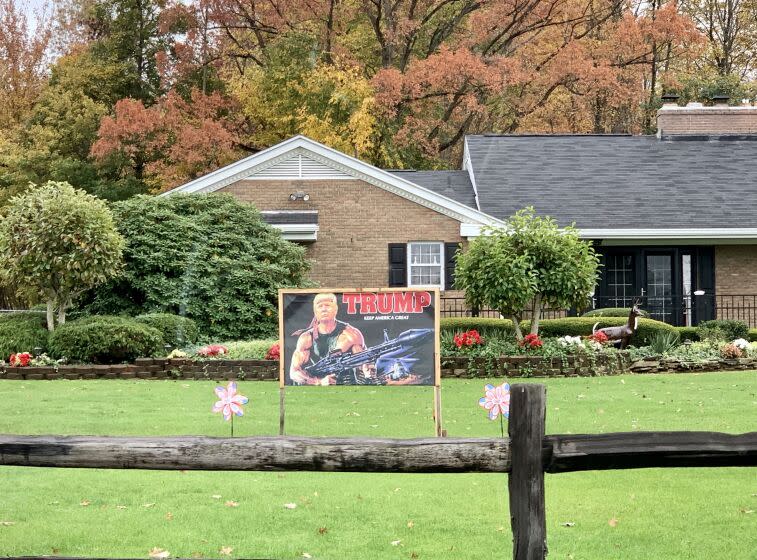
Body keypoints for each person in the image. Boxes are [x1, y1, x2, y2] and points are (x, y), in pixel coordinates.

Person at [289, 292, 374, 385]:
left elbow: (364, 363)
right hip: (316, 385)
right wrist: (318, 382)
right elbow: (294, 373)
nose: (324, 309)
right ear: (315, 311)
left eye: (328, 305)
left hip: (345, 385)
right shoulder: (307, 338)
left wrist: (367, 369)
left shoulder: (351, 335)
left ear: (335, 309)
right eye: (320, 306)